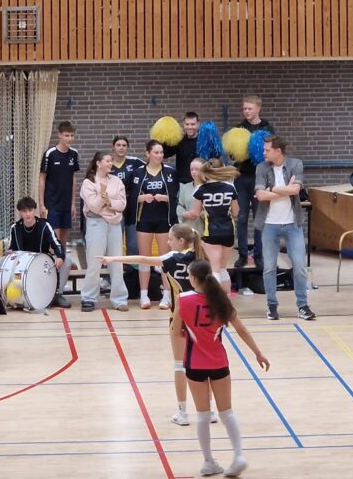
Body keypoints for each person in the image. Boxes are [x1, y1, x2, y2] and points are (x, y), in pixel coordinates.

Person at [101, 224, 211, 427]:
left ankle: (183, 412)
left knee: (180, 365)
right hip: (202, 317)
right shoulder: (201, 258)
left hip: (180, 317)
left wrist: (114, 258)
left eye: (170, 239)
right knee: (204, 363)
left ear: (181, 241)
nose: (167, 242)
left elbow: (143, 259)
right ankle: (208, 410)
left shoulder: (171, 258)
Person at [178, 259, 268, 477]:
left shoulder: (183, 299)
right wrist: (258, 353)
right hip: (218, 362)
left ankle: (208, 462)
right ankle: (238, 456)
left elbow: (176, 330)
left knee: (202, 415)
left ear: (193, 278)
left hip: (194, 363)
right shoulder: (221, 300)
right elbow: (241, 329)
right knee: (226, 412)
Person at [254, 135, 316, 321]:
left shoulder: (295, 164)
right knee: (269, 267)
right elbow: (260, 195)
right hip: (269, 224)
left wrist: (272, 189)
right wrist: (284, 190)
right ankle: (272, 306)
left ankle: (303, 306)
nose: (264, 153)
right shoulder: (261, 167)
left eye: (267, 150)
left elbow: (295, 190)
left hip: (292, 224)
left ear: (278, 151)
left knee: (299, 266)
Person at [126, 140, 179, 309]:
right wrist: (141, 198)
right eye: (156, 152)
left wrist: (165, 198)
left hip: (164, 220)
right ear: (147, 154)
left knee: (164, 258)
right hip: (144, 220)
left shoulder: (170, 172)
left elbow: (177, 197)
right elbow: (130, 197)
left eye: (161, 152)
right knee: (145, 258)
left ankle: (167, 295)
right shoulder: (137, 173)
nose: (160, 155)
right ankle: (144, 295)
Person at [80, 151, 129, 312]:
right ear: (98, 163)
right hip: (96, 223)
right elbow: (93, 206)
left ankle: (119, 299)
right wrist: (104, 197)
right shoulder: (88, 182)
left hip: (114, 224)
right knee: (94, 263)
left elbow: (122, 204)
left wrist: (109, 202)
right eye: (107, 161)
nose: (110, 164)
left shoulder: (117, 181)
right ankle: (88, 298)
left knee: (116, 262)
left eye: (111, 161)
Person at [39, 121, 80, 308]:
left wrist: (72, 203)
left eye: (72, 135)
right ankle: (48, 287)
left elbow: (73, 178)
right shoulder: (50, 154)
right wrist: (41, 204)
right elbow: (42, 179)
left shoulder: (74, 154)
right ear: (59, 135)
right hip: (52, 205)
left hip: (65, 204)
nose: (69, 139)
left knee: (63, 246)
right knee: (54, 244)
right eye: (66, 135)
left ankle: (59, 288)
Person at [188, 159, 242, 294]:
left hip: (211, 231)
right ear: (222, 168)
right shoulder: (230, 187)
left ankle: (216, 301)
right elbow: (236, 212)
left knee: (215, 269)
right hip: (229, 231)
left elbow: (196, 213)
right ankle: (226, 298)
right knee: (223, 268)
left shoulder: (201, 189)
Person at [234, 95, 274, 269]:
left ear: (258, 108)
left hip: (261, 177)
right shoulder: (239, 128)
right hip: (242, 176)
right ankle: (242, 255)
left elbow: (273, 152)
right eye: (244, 108)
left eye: (249, 108)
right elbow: (232, 154)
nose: (246, 111)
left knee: (260, 217)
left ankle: (259, 255)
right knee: (242, 216)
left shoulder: (267, 127)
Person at [7, 196, 68, 306]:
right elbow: (12, 249)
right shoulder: (15, 228)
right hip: (23, 264)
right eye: (24, 211)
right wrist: (9, 253)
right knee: (2, 261)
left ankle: (57, 294)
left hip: (42, 261)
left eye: (30, 210)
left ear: (34, 210)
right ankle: (16, 293)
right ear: (20, 213)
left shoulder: (44, 225)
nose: (28, 214)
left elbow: (57, 245)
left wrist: (60, 257)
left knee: (67, 261)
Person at [111, 135, 146, 256]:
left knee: (133, 244)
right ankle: (115, 267)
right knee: (116, 242)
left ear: (127, 147)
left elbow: (150, 170)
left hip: (132, 206)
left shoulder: (135, 162)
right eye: (118, 145)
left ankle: (132, 267)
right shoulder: (108, 162)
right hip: (115, 207)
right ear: (113, 147)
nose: (121, 148)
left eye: (124, 145)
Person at [164, 112, 200, 185]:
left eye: (193, 124)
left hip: (201, 182)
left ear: (198, 124)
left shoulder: (204, 141)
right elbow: (165, 154)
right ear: (183, 124)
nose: (190, 127)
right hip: (183, 183)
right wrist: (165, 139)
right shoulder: (179, 141)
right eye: (187, 124)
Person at [177, 158, 206, 235]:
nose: (194, 172)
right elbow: (178, 205)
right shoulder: (185, 187)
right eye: (191, 169)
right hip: (188, 230)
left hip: (206, 230)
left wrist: (203, 213)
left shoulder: (210, 187)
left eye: (197, 169)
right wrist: (184, 213)